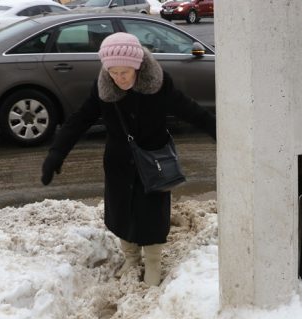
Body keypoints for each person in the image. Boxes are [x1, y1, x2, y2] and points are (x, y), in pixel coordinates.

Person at [39, 32, 216, 287]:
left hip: (153, 162)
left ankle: (153, 263)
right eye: (113, 72)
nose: (118, 78)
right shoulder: (104, 88)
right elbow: (79, 120)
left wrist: (219, 132)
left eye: (124, 72)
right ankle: (131, 258)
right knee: (121, 211)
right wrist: (56, 154)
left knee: (152, 214)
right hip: (119, 162)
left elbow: (191, 110)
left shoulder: (158, 85)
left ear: (137, 67)